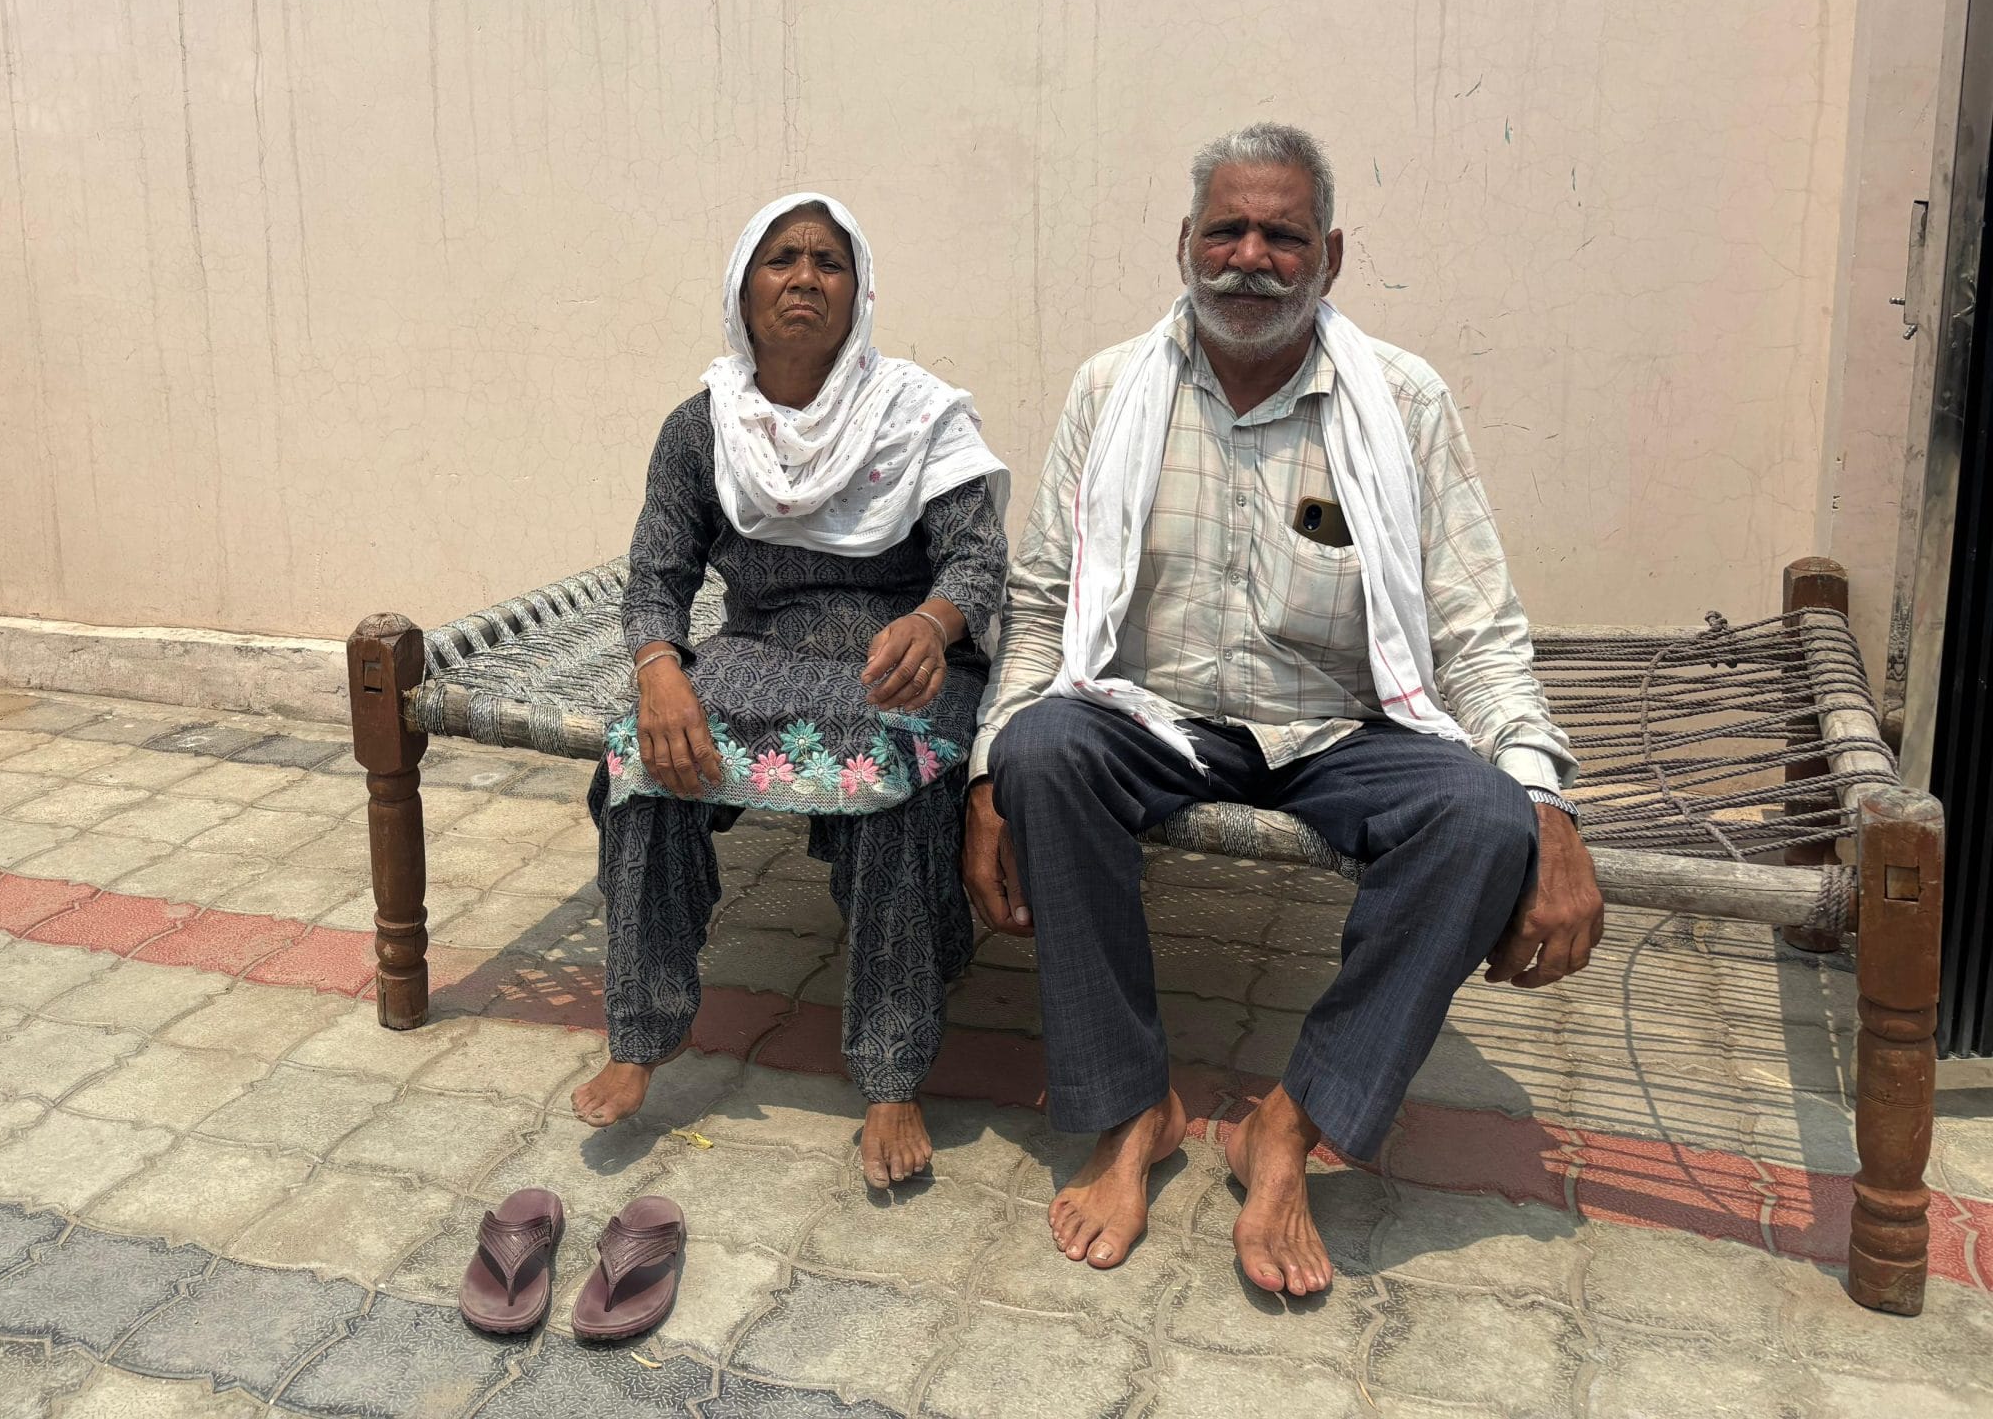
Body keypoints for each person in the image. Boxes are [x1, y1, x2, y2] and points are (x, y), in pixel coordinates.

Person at [965, 123, 1603, 1295]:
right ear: (1183, 244)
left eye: (1280, 234)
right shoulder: (1111, 391)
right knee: (1045, 749)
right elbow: (1046, 598)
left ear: (1331, 256)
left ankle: (1290, 1125)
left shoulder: (1401, 401)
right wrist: (983, 773)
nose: (1248, 256)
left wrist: (1548, 805)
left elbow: (1473, 623)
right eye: (1227, 230)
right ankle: (1131, 1111)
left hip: (1345, 729)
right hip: (1152, 714)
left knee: (1482, 819)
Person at [573, 193, 1010, 1187]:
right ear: (744, 286)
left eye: (827, 261)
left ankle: (892, 1073)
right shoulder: (703, 425)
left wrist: (932, 622)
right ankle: (642, 1033)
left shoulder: (918, 413)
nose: (804, 278)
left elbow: (978, 566)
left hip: (901, 656)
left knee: (887, 769)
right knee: (644, 761)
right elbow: (656, 574)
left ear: (857, 291)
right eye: (780, 259)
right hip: (759, 643)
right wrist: (659, 670)